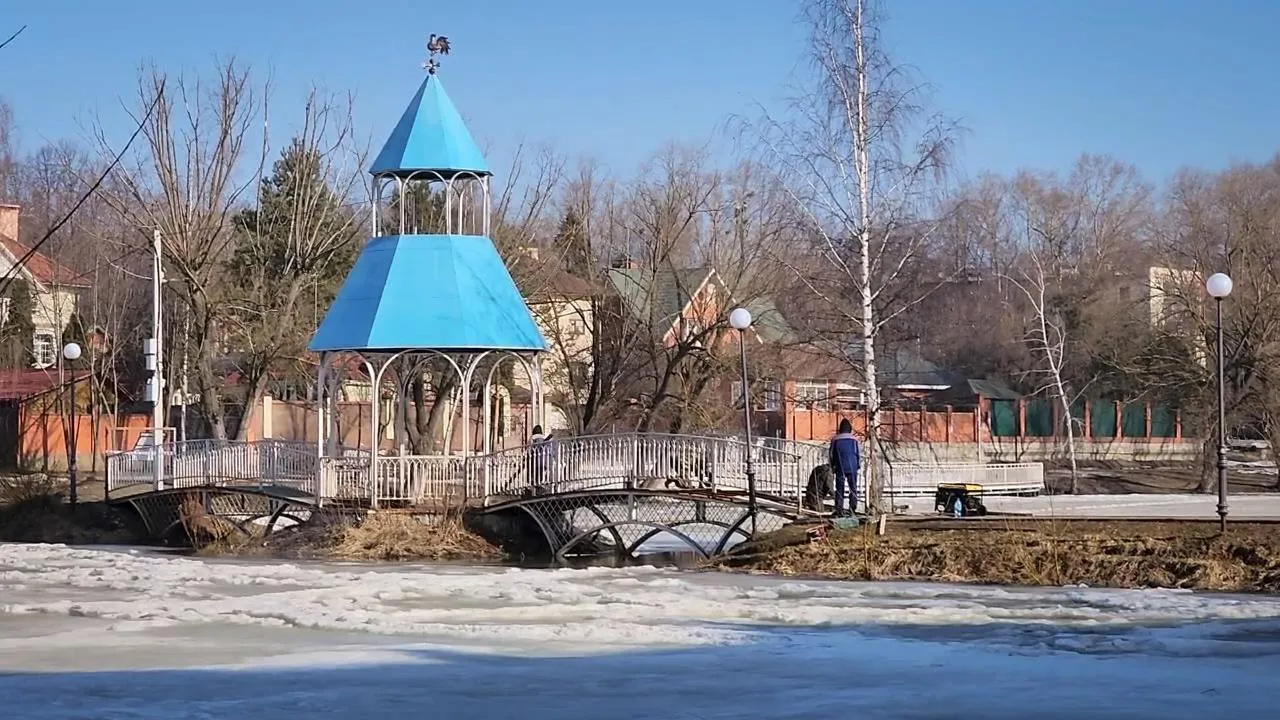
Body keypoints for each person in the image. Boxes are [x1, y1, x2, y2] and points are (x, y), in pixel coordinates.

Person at [828, 418, 861, 517]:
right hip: (852, 466)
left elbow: (831, 454)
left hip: (840, 466)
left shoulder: (835, 439)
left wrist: (832, 465)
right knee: (853, 488)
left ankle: (839, 509)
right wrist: (858, 464)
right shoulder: (854, 440)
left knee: (839, 488)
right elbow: (857, 453)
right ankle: (852, 508)